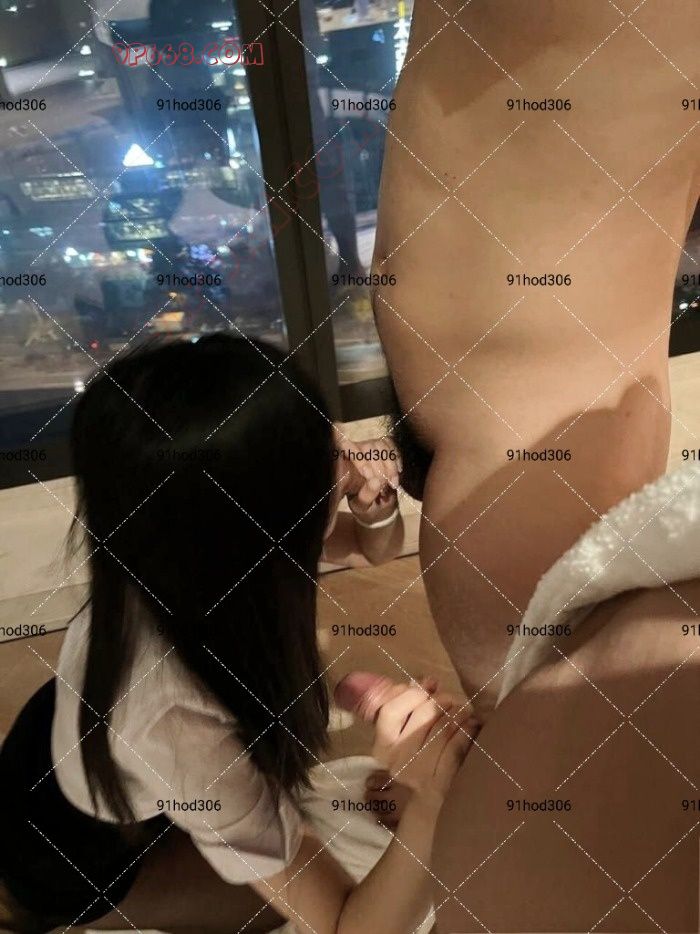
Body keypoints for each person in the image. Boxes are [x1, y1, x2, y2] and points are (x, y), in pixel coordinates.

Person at [371, 0, 700, 928]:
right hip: (545, 444)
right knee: (544, 805)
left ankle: (462, 803)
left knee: (547, 826)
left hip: (536, 460)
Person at [0, 334, 475, 933]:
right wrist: (432, 804)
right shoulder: (175, 721)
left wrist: (373, 505)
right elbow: (347, 926)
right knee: (323, 882)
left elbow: (369, 550)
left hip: (71, 754)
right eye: (326, 449)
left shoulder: (182, 544)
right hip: (71, 856)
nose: (349, 452)